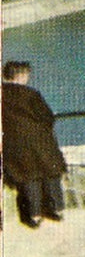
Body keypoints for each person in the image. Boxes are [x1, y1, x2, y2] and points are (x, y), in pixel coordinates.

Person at [2, 61, 67, 228]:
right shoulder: (31, 94)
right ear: (20, 75)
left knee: (28, 176)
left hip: (14, 144)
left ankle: (34, 215)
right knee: (51, 172)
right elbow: (47, 116)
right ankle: (57, 209)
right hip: (39, 141)